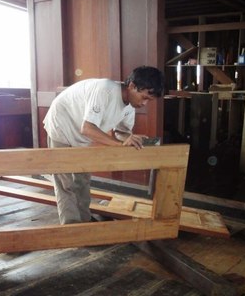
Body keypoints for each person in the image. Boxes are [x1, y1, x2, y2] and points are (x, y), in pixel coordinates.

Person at [43, 66, 164, 224]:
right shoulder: (105, 90)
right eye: (145, 97)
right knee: (65, 181)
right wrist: (119, 145)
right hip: (61, 125)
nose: (145, 103)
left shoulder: (130, 107)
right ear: (132, 86)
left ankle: (84, 221)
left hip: (81, 136)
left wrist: (131, 138)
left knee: (83, 179)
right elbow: (87, 128)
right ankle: (71, 225)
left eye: (150, 100)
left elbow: (121, 132)